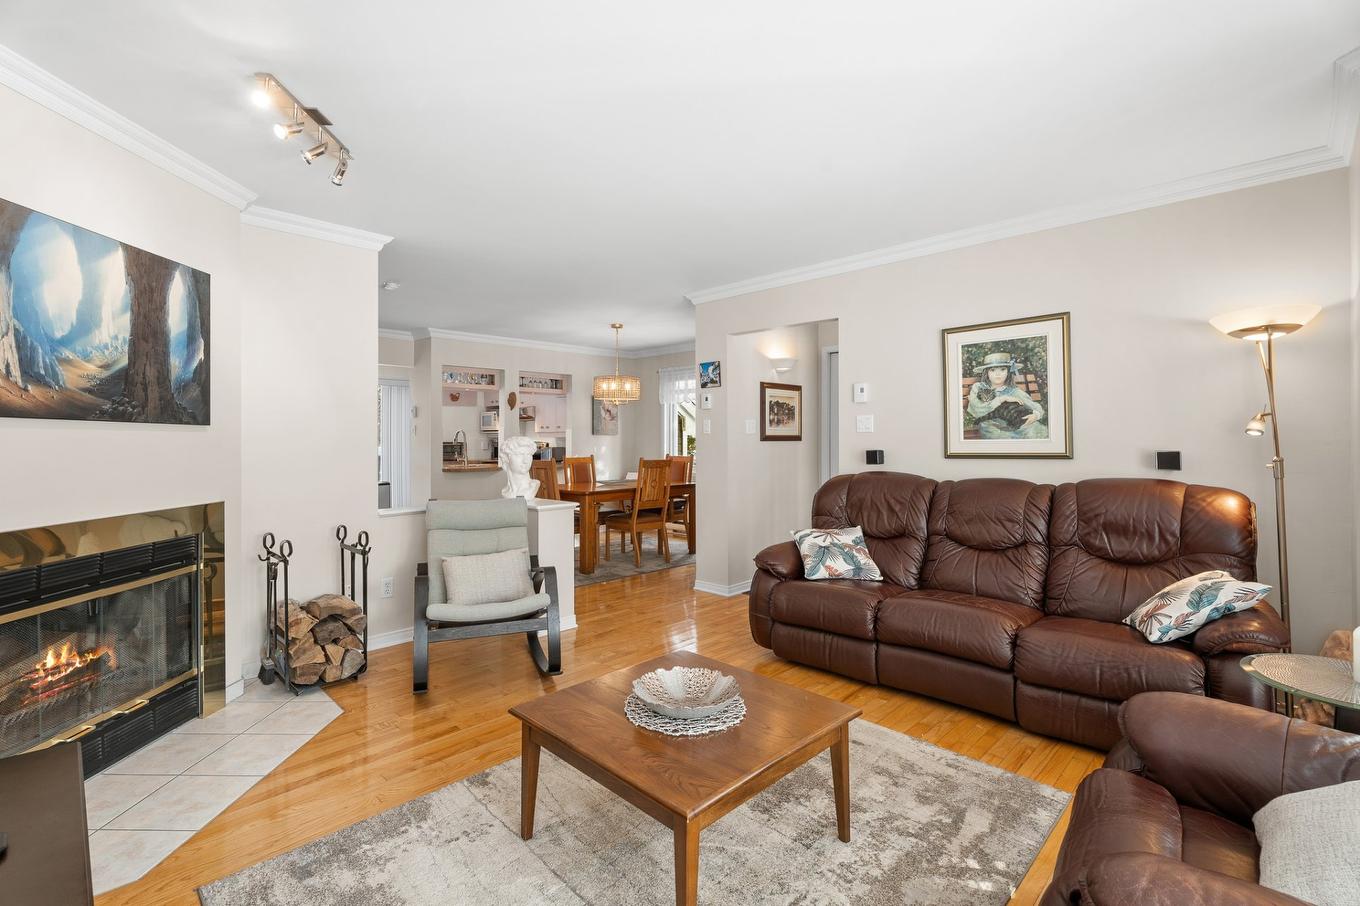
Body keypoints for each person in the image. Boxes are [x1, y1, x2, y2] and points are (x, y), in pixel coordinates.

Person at [966, 351, 1047, 439]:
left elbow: (1035, 406)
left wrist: (1036, 415)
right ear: (986, 372)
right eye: (992, 370)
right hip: (993, 427)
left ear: (1008, 372)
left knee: (1037, 431)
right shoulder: (979, 387)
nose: (998, 374)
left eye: (1002, 369)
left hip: (1016, 426)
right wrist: (1002, 399)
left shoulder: (1014, 391)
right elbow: (976, 408)